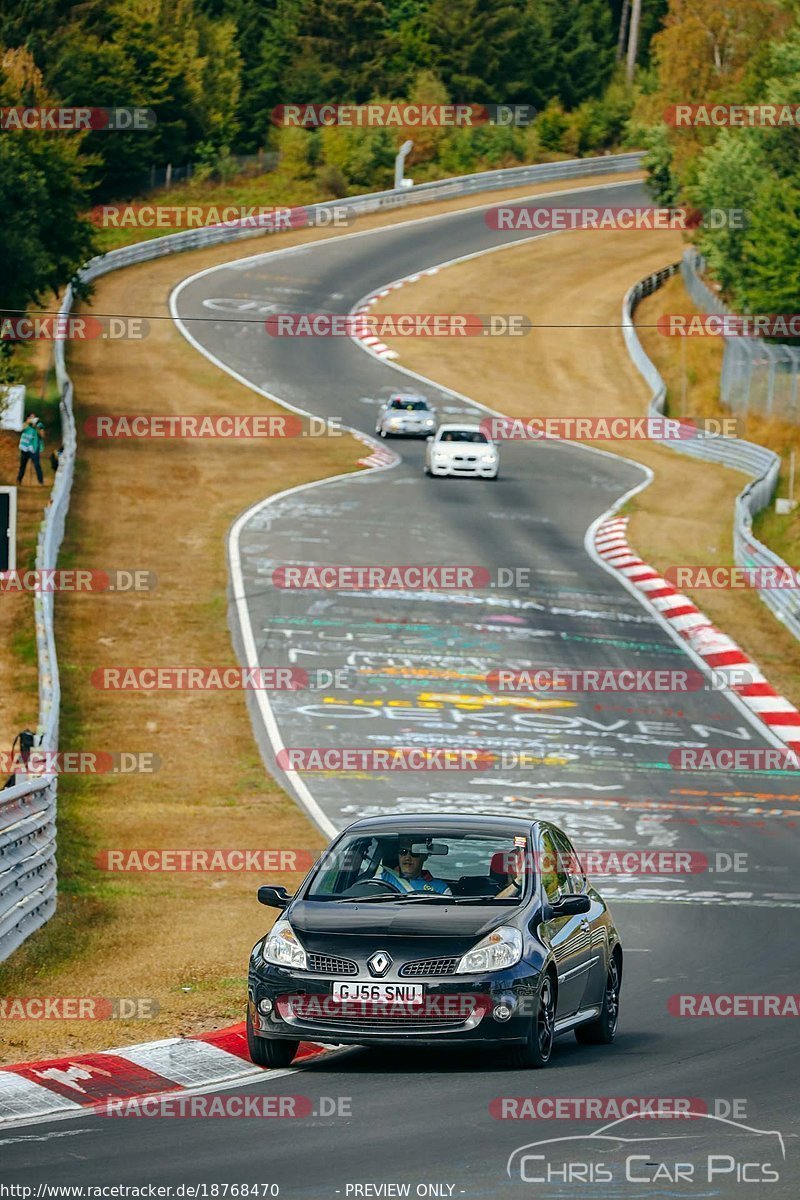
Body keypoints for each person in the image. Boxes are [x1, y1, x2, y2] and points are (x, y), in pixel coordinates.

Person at [375, 840, 452, 895]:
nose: (407, 858)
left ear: (424, 856)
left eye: (414, 853)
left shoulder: (441, 889)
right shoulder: (380, 880)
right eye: (403, 852)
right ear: (398, 855)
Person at [17, 413, 45, 485]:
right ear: (27, 418)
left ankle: (41, 481)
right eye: (31, 417)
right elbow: (21, 429)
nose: (32, 419)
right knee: (22, 465)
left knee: (37, 465)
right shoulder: (25, 424)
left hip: (34, 448)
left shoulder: (39, 425)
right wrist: (28, 422)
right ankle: (19, 480)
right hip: (25, 447)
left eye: (34, 417)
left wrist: (36, 427)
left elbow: (42, 435)